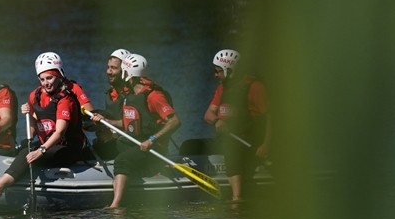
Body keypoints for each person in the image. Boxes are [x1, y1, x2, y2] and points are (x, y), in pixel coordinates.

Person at [0, 52, 87, 198]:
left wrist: (40, 151)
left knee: (27, 155)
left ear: (59, 76)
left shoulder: (66, 99)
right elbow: (32, 131)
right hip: (48, 145)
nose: (46, 83)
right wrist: (28, 115)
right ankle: (8, 172)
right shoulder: (35, 95)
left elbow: (59, 132)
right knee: (23, 147)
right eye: (42, 79)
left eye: (50, 78)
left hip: (67, 147)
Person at [90, 53, 181, 209]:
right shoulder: (130, 95)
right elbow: (128, 122)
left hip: (152, 147)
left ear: (128, 74)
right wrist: (106, 121)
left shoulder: (154, 96)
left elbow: (175, 121)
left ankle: (116, 205)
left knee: (121, 160)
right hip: (134, 142)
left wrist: (152, 139)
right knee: (101, 148)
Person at [202, 48, 270, 203]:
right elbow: (208, 114)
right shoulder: (222, 88)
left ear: (229, 70)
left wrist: (265, 145)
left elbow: (269, 119)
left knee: (232, 149)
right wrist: (217, 121)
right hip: (229, 138)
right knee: (192, 145)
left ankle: (236, 199)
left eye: (218, 71)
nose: (215, 74)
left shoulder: (254, 87)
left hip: (250, 138)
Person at [88, 48, 133, 160]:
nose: (108, 71)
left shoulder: (134, 95)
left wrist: (108, 122)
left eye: (113, 68)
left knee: (87, 154)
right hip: (114, 140)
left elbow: (135, 124)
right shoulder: (111, 93)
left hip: (130, 144)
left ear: (125, 71)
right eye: (108, 67)